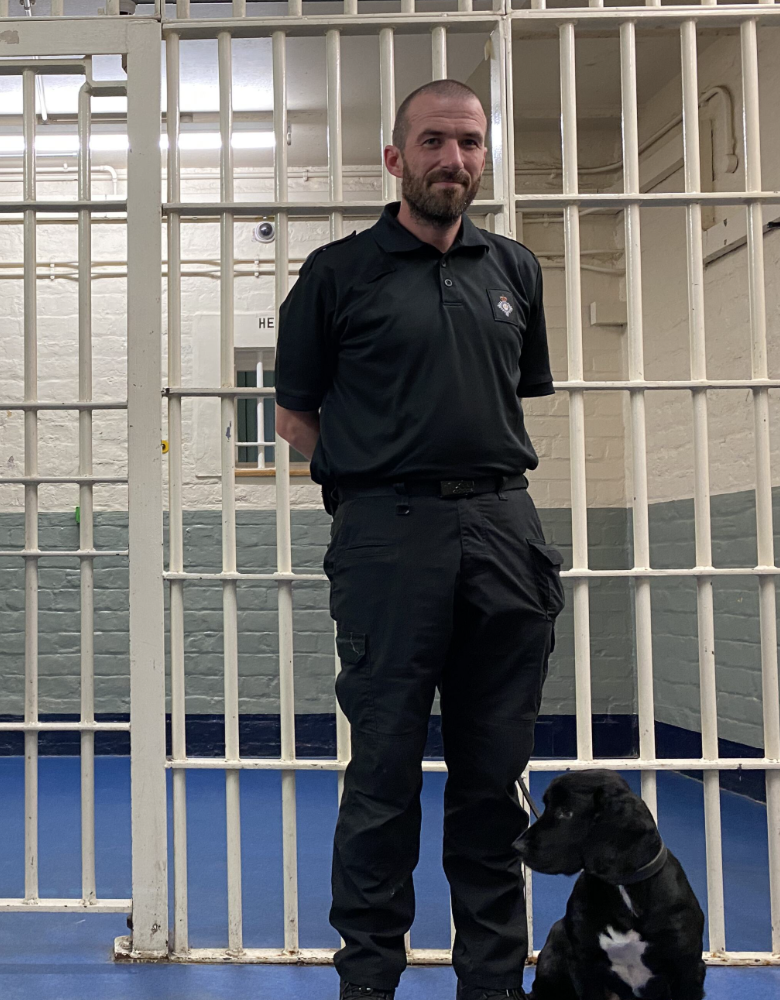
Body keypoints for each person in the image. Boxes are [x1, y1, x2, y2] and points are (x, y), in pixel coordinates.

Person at [274, 80, 563, 1000]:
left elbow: (510, 397)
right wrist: (370, 480)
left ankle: (493, 982)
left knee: (494, 777)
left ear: (485, 157)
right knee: (384, 775)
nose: (454, 159)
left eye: (470, 142)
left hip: (504, 533)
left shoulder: (515, 269)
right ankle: (369, 980)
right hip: (388, 539)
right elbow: (294, 415)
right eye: (434, 141)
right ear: (396, 158)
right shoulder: (336, 273)